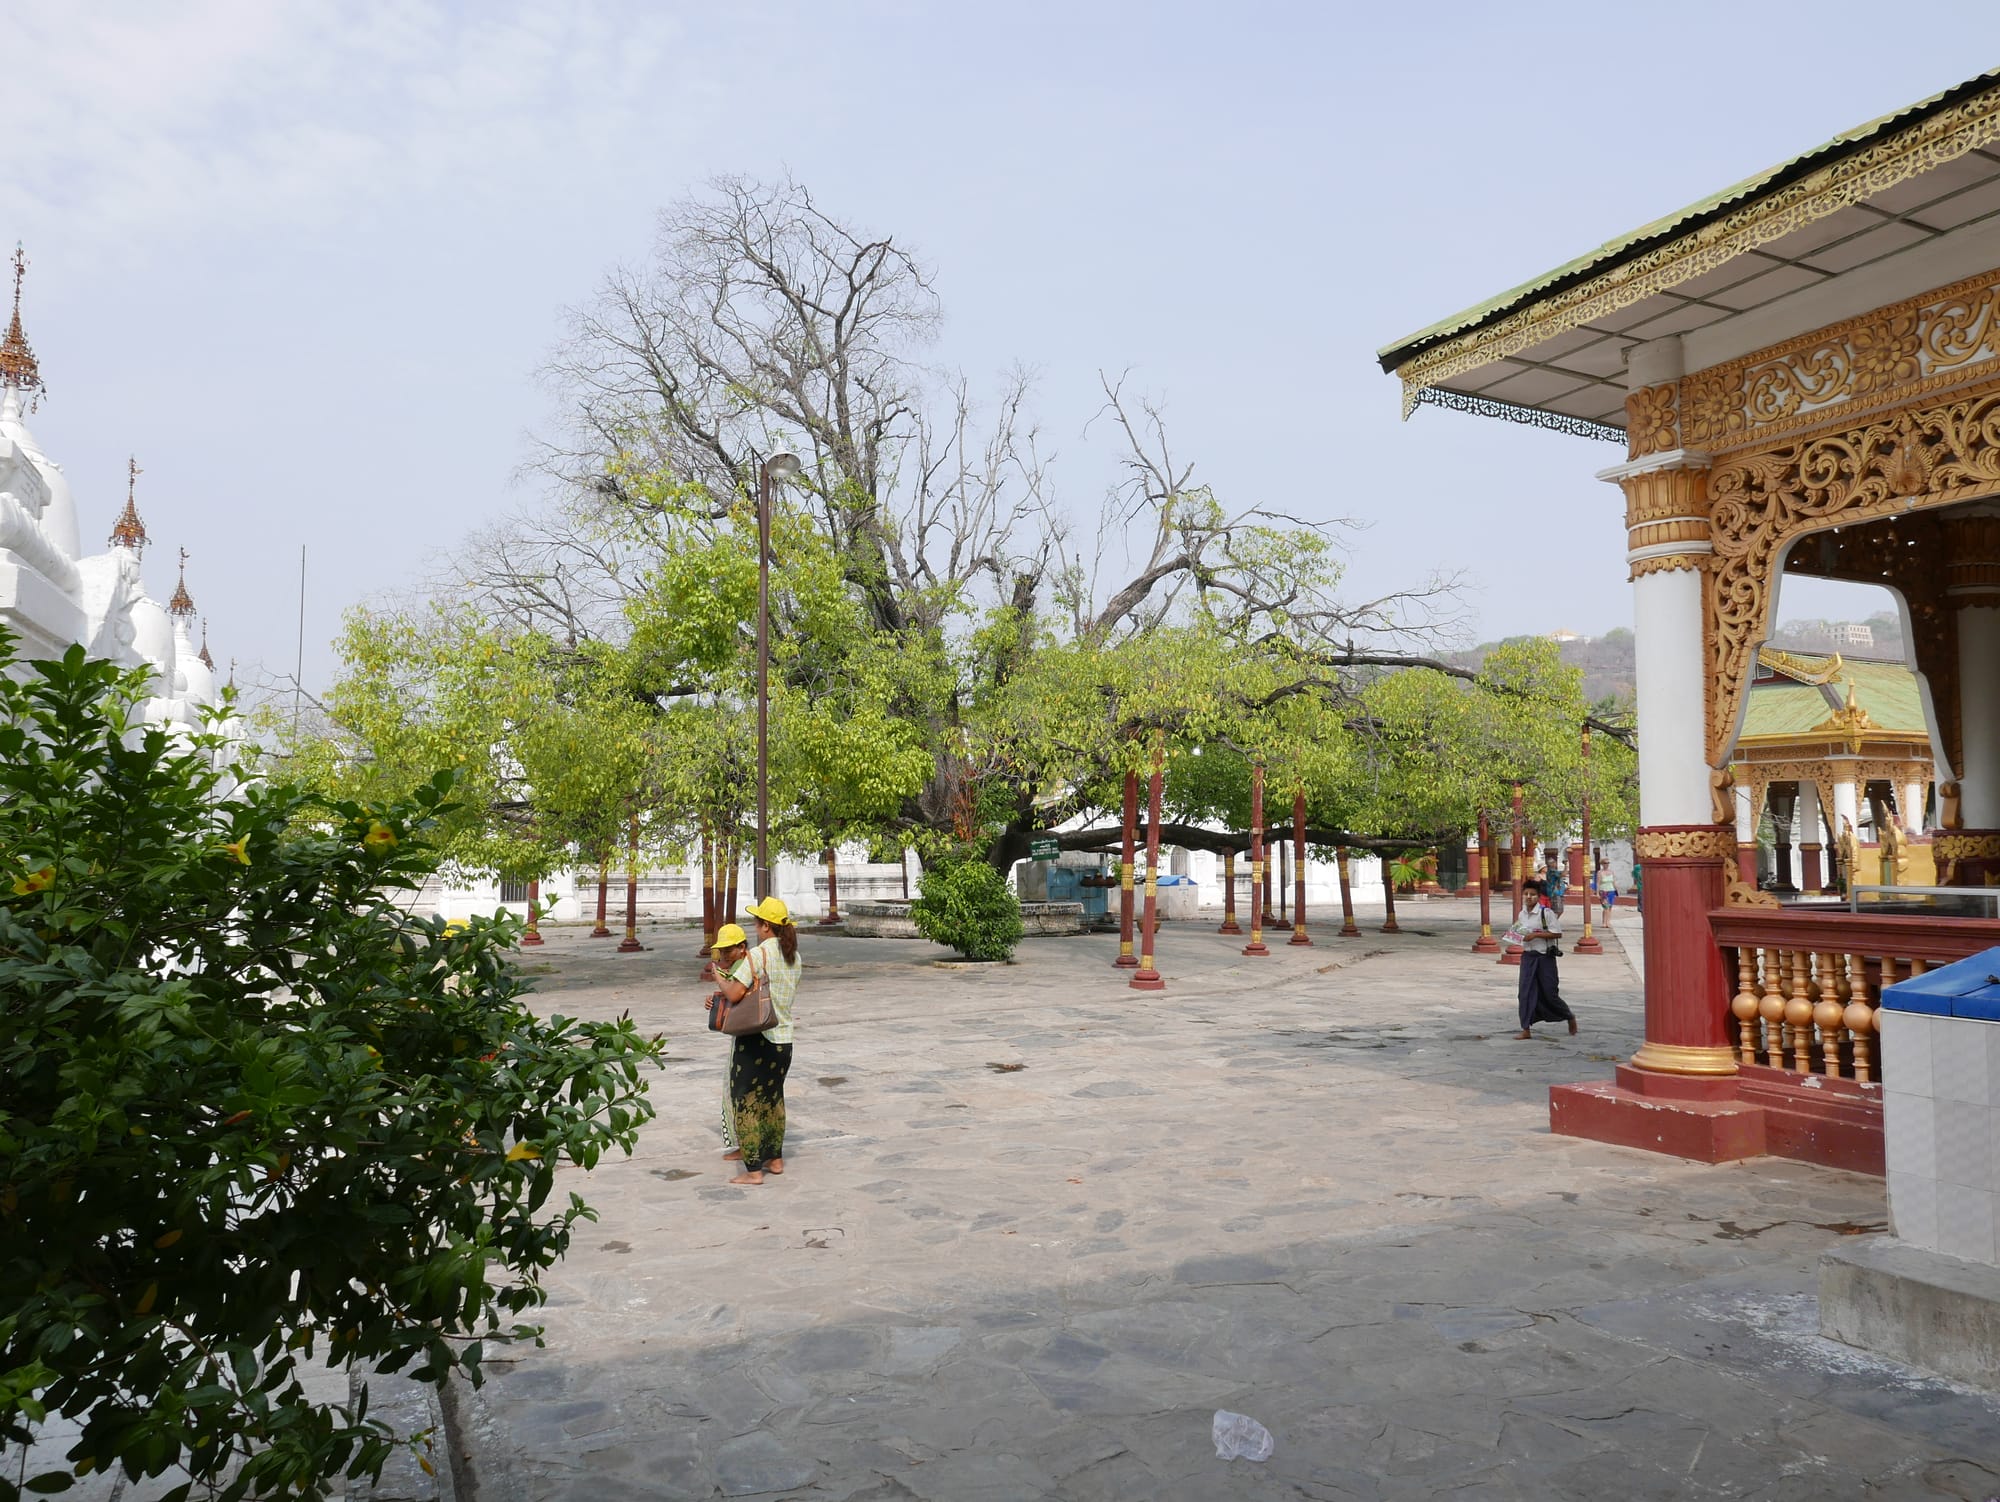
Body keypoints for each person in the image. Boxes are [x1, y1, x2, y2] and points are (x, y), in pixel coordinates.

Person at [716, 896, 803, 1187]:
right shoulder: (794, 956)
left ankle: (754, 1169)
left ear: (766, 927)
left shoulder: (759, 955)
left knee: (747, 1102)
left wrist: (718, 976)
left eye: (757, 922)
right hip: (784, 1039)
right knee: (773, 1100)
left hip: (757, 1038)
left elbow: (735, 993)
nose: (754, 927)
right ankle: (774, 1158)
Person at [1503, 877, 1576, 1040]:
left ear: (1538, 896)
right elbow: (1520, 932)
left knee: (1549, 992)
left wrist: (1535, 935)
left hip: (1544, 957)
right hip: (1528, 957)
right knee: (1525, 993)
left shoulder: (1546, 913)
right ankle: (1526, 1028)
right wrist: (1514, 936)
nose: (1529, 897)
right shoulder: (1522, 914)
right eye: (1526, 894)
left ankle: (1568, 1015)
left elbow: (1557, 933)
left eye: (1533, 894)